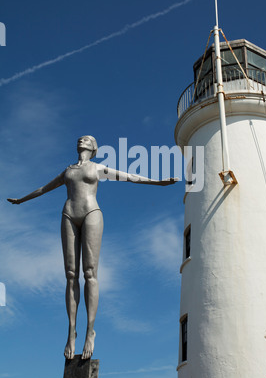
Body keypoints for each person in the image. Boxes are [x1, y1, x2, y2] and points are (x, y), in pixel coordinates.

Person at [7, 135, 177, 360]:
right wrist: (21, 200)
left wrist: (158, 182)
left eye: (87, 139)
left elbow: (130, 177)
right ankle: (71, 333)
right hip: (68, 214)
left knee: (90, 273)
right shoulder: (67, 171)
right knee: (70, 275)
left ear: (93, 147)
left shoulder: (98, 168)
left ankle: (90, 331)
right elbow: (43, 188)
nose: (82, 139)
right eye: (80, 138)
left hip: (91, 213)